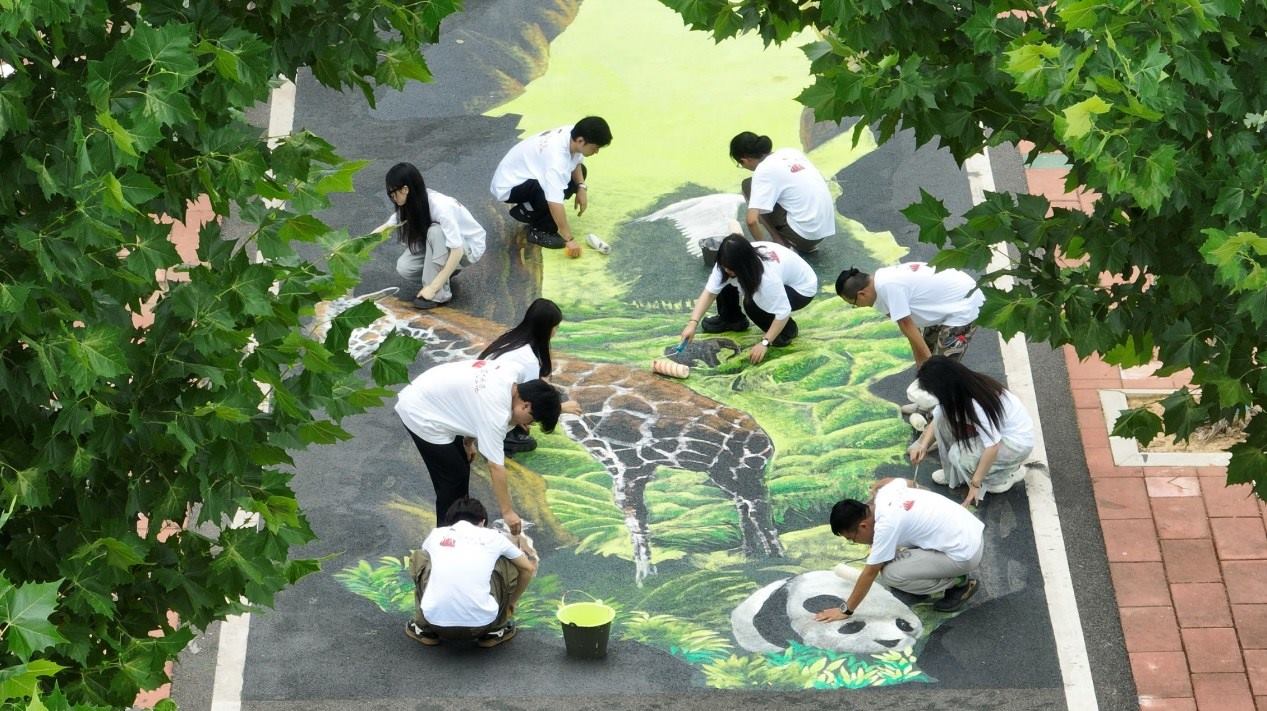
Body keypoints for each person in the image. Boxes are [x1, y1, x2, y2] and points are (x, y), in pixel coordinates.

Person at [394, 358, 563, 535]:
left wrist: (468, 442)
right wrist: (507, 512)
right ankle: (445, 539)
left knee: (461, 466)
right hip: (420, 411)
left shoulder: (514, 371)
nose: (528, 425)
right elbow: (496, 466)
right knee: (453, 478)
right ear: (525, 406)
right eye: (532, 420)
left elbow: (474, 404)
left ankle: (459, 528)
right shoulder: (497, 414)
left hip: (433, 393)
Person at [816, 477, 983, 617]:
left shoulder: (885, 526)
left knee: (891, 573)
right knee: (895, 554)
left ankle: (959, 582)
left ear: (863, 526)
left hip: (965, 554)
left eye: (852, 539)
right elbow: (905, 482)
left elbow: (870, 573)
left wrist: (845, 611)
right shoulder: (885, 494)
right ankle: (932, 578)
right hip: (971, 531)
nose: (855, 542)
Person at [405, 496, 537, 648]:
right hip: (482, 625)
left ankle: (423, 629)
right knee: (508, 562)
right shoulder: (494, 537)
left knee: (421, 558)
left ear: (449, 522)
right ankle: (496, 630)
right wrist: (511, 602)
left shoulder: (436, 534)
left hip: (435, 622)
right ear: (482, 522)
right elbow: (527, 568)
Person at [907, 356, 1035, 506]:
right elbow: (937, 419)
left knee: (958, 455)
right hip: (996, 436)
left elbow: (992, 446)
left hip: (1016, 444)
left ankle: (1004, 476)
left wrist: (975, 483)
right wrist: (923, 445)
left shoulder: (976, 404)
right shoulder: (959, 387)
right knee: (942, 419)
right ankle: (953, 475)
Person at [680, 235, 818, 364]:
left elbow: (783, 311)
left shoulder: (767, 279)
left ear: (744, 266)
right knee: (724, 282)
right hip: (784, 277)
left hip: (801, 289)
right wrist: (693, 323)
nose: (726, 270)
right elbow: (710, 292)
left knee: (752, 305)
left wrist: (765, 343)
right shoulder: (726, 261)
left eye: (731, 269)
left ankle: (787, 331)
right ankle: (732, 319)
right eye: (725, 267)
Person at [490, 116, 613, 251]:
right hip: (509, 185)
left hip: (526, 174)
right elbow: (554, 201)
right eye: (595, 147)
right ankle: (538, 231)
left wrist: (581, 188)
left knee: (579, 174)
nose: (596, 152)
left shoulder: (573, 133)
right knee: (547, 192)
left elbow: (576, 163)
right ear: (580, 141)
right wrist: (569, 239)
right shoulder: (556, 160)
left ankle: (527, 209)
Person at [478, 298, 582, 455]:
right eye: (555, 327)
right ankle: (499, 438)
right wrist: (560, 408)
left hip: (481, 391)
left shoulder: (512, 337)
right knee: (527, 436)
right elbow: (531, 399)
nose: (556, 331)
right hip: (488, 407)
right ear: (547, 329)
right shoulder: (528, 360)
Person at [377, 163, 487, 310]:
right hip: (445, 244)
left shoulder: (441, 207)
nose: (392, 198)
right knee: (405, 267)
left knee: (435, 231)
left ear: (405, 189)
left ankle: (439, 294)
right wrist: (356, 246)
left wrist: (432, 287)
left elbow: (457, 250)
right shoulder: (413, 203)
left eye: (392, 194)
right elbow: (387, 227)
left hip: (468, 248)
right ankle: (445, 274)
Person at [835, 263, 984, 365]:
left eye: (854, 304)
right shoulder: (876, 288)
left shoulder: (888, 286)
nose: (857, 307)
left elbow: (906, 324)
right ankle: (929, 393)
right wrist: (922, 366)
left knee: (944, 368)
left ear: (861, 294)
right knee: (928, 355)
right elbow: (912, 333)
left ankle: (952, 401)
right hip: (943, 304)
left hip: (964, 303)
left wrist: (929, 366)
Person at [729, 131, 835, 254]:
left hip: (805, 236)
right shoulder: (790, 152)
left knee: (748, 185)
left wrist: (762, 249)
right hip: (823, 230)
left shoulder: (763, 171)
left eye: (740, 164)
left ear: (745, 160)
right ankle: (798, 242)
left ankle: (779, 243)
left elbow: (751, 221)